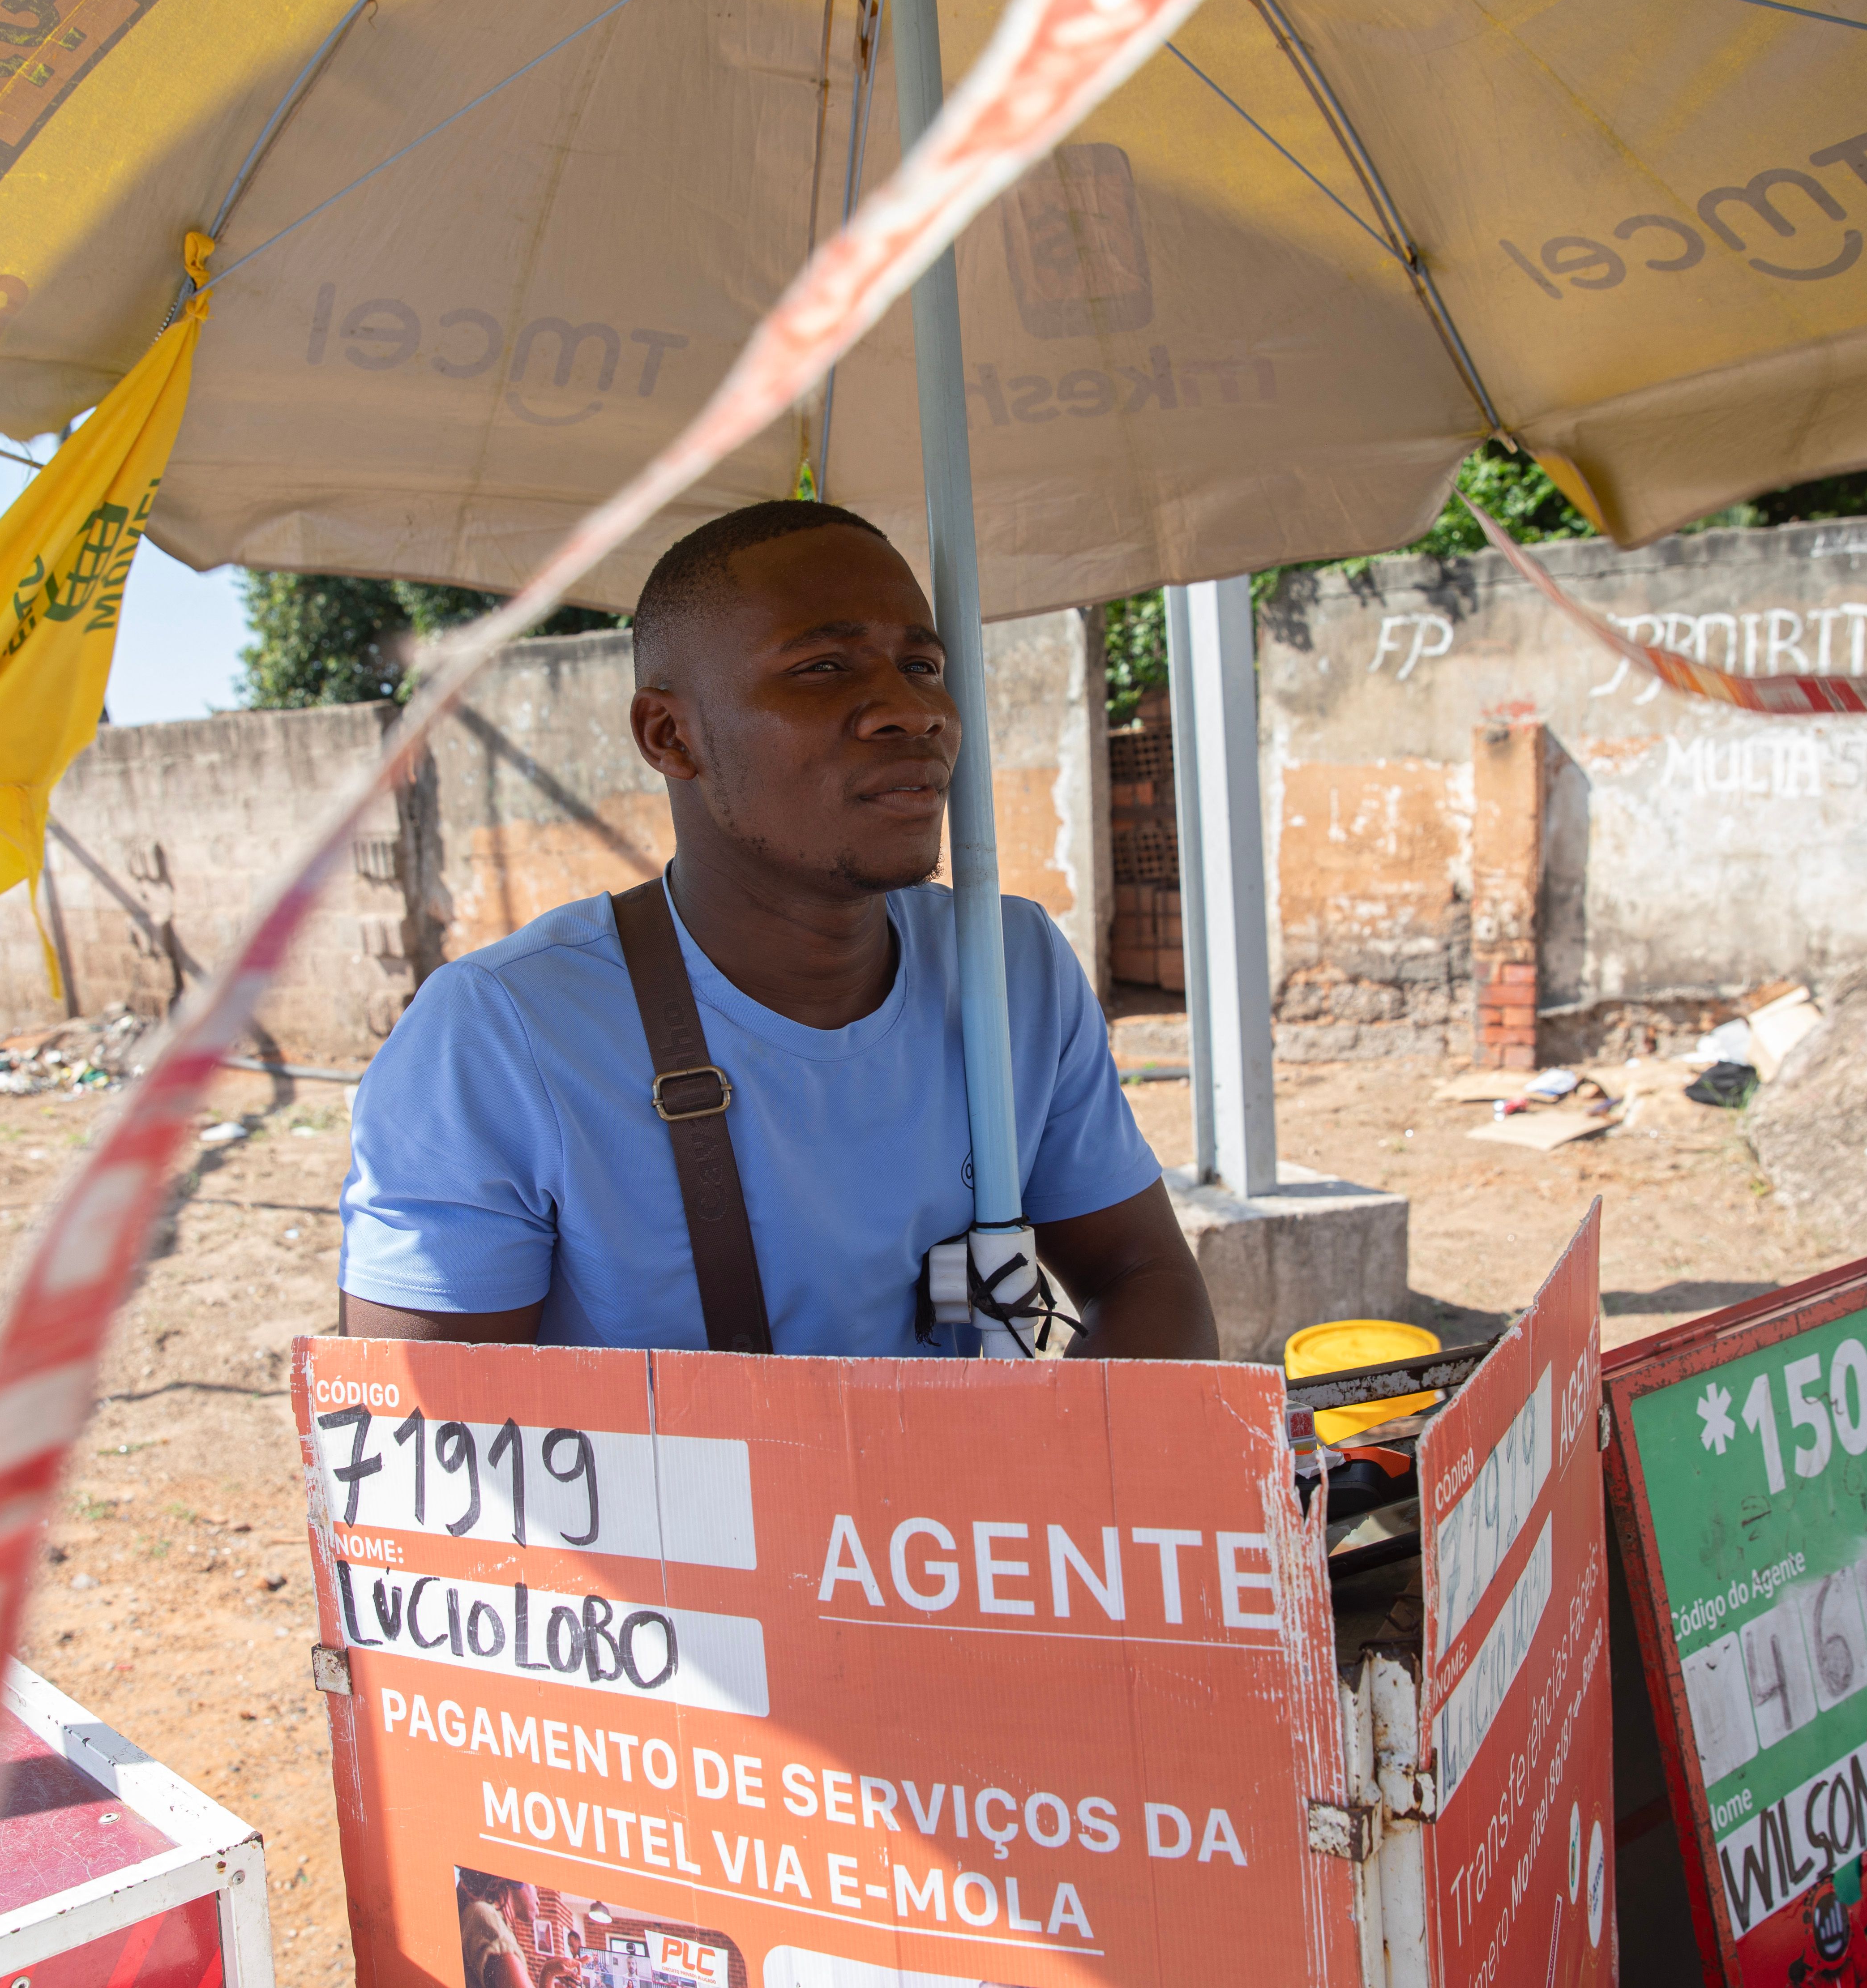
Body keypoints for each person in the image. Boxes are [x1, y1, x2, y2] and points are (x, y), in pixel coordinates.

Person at [338, 498, 1215, 1359]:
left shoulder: (1011, 970)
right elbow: (432, 1445)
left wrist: (1062, 1479)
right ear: (671, 734)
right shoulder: (500, 1037)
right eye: (825, 666)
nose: (913, 711)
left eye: (922, 663)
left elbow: (1144, 1273)